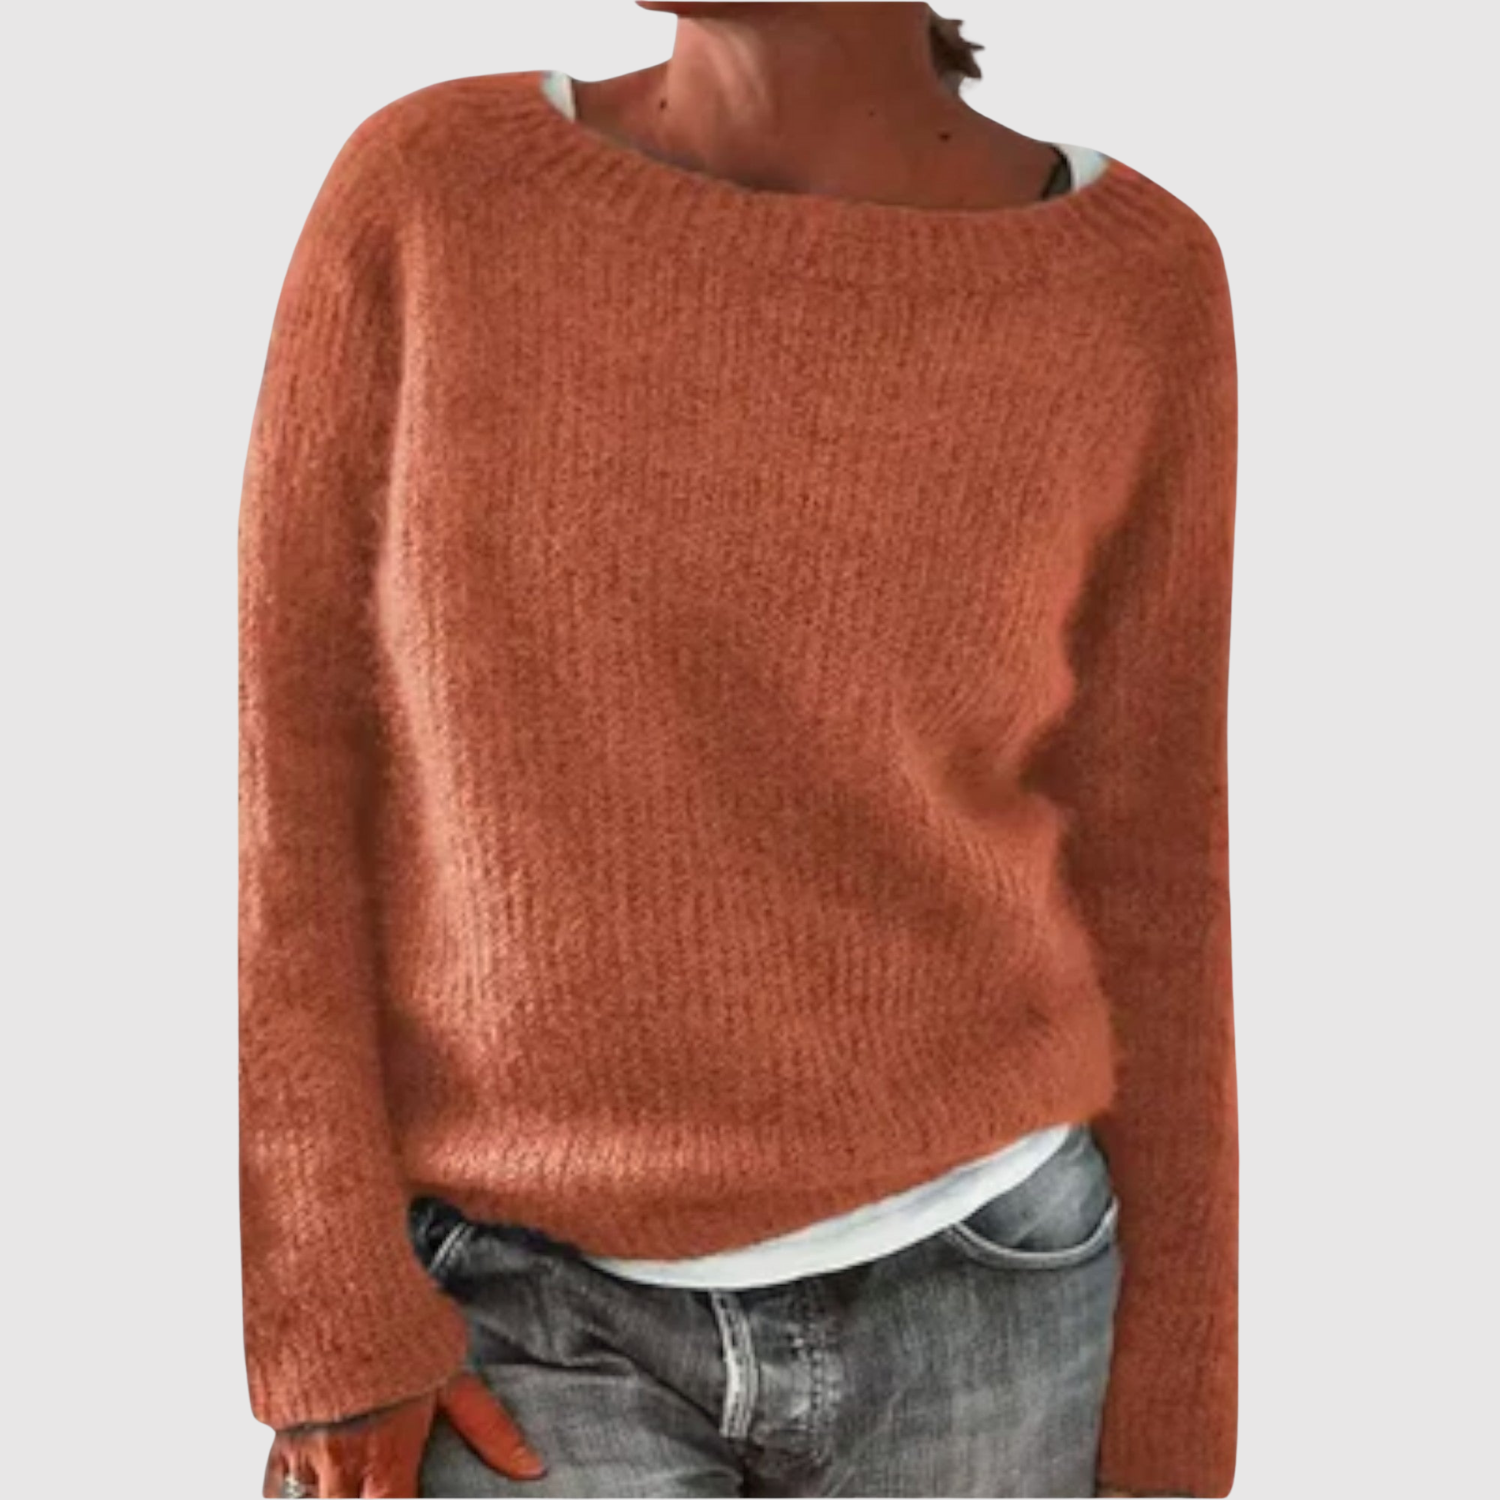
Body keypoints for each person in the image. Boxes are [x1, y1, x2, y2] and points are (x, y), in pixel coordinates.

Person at [238, 4, 1239, 1496]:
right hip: (514, 1307)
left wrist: (1175, 1431)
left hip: (996, 1304)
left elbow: (1153, 848)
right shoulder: (436, 194)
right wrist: (327, 1319)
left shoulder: (1130, 283)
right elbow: (296, 765)